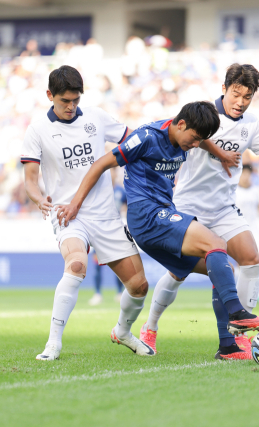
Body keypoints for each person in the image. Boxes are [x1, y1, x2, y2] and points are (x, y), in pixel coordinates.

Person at [56, 101, 259, 361]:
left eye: (199, 141)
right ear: (181, 124)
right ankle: (236, 314)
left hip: (162, 215)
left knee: (222, 267)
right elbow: (100, 164)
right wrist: (75, 204)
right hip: (146, 216)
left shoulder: (186, 134)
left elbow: (201, 139)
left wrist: (221, 153)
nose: (195, 146)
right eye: (194, 139)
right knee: (216, 243)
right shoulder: (146, 137)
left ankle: (227, 347)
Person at [140, 64, 259, 360]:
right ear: (224, 89)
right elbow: (189, 136)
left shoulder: (251, 125)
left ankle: (236, 336)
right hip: (189, 207)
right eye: (236, 93)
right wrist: (222, 153)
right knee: (178, 273)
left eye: (247, 96)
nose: (240, 101)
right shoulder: (202, 114)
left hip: (224, 209)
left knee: (251, 259)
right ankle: (150, 327)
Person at [21, 65, 153, 361]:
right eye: (64, 101)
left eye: (75, 100)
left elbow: (134, 141)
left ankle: (122, 331)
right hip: (68, 215)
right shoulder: (38, 130)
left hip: (105, 215)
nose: (70, 107)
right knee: (77, 265)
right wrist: (38, 198)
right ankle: (53, 342)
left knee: (139, 285)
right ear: (49, 96)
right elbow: (30, 178)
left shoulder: (96, 117)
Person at [235, 164, 259, 305]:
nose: (245, 176)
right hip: (240, 228)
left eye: (248, 174)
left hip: (255, 228)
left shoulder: (256, 190)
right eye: (243, 173)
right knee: (241, 262)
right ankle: (240, 292)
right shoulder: (234, 191)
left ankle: (258, 292)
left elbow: (258, 209)